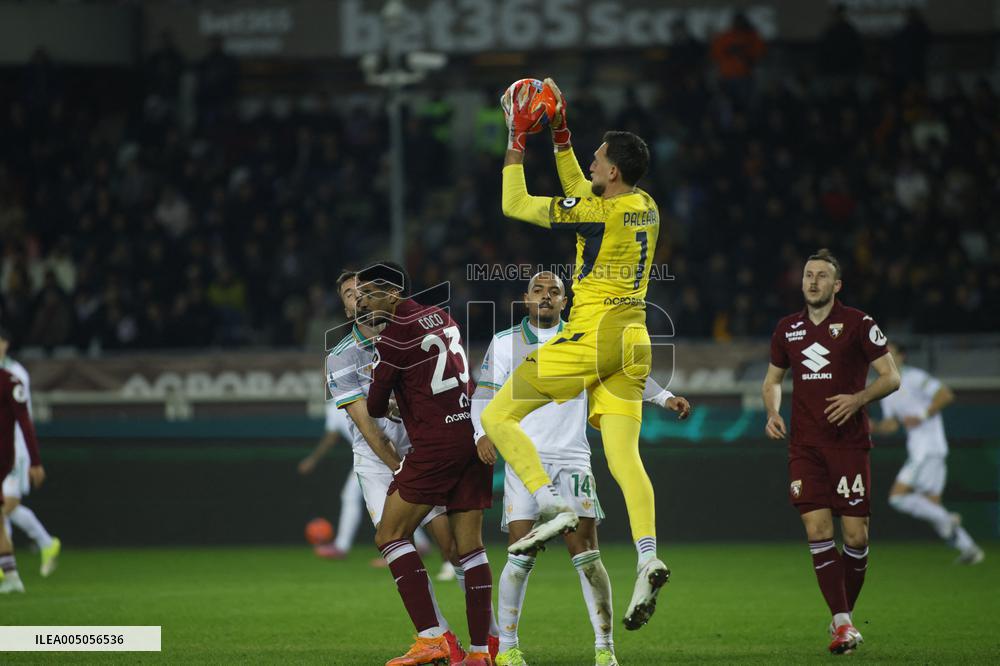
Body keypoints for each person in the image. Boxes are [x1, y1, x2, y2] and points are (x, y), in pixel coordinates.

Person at [484, 78, 669, 631]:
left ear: (612, 171)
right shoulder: (644, 204)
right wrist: (560, 132)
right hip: (635, 341)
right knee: (625, 459)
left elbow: (514, 203)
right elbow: (583, 191)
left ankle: (549, 502)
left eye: (597, 157)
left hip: (593, 337)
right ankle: (648, 556)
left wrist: (518, 137)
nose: (590, 160)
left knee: (497, 415)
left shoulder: (598, 214)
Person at [472, 272, 691, 666]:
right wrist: (480, 434)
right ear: (526, 298)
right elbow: (483, 396)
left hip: (573, 457)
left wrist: (665, 397)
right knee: (520, 556)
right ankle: (507, 648)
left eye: (554, 291)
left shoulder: (586, 338)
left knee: (587, 556)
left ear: (565, 301)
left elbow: (624, 374)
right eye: (538, 290)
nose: (545, 296)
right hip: (526, 460)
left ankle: (605, 650)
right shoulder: (505, 342)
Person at [325, 269, 479, 663]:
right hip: (380, 464)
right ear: (346, 307)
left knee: (454, 548)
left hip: (427, 450)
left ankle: (490, 640)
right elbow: (369, 427)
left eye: (363, 291)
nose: (359, 298)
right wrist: (398, 468)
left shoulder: (405, 333)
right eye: (350, 294)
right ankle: (438, 637)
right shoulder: (341, 356)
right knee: (395, 540)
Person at [762, 249, 901, 655]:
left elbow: (891, 378)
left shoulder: (859, 323)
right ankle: (843, 624)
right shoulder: (787, 329)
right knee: (818, 531)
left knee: (856, 537)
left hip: (849, 444)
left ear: (836, 285)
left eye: (822, 276)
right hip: (805, 446)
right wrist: (772, 411)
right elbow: (772, 380)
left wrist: (858, 399)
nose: (813, 281)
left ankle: (844, 617)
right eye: (808, 274)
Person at [359, 262, 496, 666]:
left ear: (392, 294)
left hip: (436, 445)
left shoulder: (393, 335)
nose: (363, 302)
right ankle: (480, 652)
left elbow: (374, 406)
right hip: (473, 432)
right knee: (470, 549)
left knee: (390, 535)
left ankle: (433, 639)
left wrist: (396, 402)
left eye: (369, 294)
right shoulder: (442, 316)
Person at [875, 342, 983, 564]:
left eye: (891, 353)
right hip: (923, 449)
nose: (886, 357)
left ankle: (948, 519)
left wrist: (923, 415)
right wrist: (873, 427)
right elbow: (892, 425)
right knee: (931, 506)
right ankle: (970, 549)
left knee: (897, 498)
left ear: (902, 357)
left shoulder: (915, 377)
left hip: (927, 448)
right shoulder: (885, 387)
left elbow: (945, 394)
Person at [0, 326, 59, 577]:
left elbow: (23, 416)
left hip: (15, 448)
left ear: (6, 344)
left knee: (8, 505)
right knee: (7, 508)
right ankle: (46, 543)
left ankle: (5, 566)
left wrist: (33, 458)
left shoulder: (15, 373)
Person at [0, 346, 44, 593]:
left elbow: (25, 422)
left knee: (8, 508)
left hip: (5, 456)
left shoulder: (11, 380)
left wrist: (35, 461)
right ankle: (11, 576)